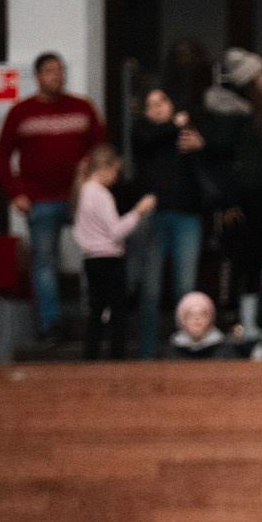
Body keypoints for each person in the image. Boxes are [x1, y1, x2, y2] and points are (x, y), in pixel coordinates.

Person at [0, 51, 104, 344]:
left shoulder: (83, 108)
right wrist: (15, 192)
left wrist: (94, 180)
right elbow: (2, 156)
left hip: (80, 197)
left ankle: (94, 316)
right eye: (51, 71)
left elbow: (101, 150)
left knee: (96, 253)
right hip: (39, 199)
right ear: (38, 76)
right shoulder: (21, 112)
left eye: (61, 70)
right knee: (44, 262)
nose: (57, 76)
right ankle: (51, 324)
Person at [200, 47, 262, 331]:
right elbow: (223, 160)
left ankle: (254, 321)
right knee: (241, 261)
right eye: (261, 75)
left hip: (261, 196)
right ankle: (240, 322)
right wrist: (229, 202)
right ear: (249, 79)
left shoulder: (257, 111)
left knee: (257, 260)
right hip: (242, 198)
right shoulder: (229, 112)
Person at [130, 88, 207, 359]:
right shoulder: (141, 131)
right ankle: (147, 354)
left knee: (185, 289)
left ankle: (185, 348)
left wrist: (199, 147)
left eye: (162, 100)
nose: (157, 107)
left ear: (172, 103)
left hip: (187, 215)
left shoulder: (188, 133)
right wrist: (175, 125)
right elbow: (150, 139)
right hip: (154, 218)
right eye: (150, 104)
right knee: (150, 291)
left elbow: (205, 171)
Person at [72, 144, 156, 361]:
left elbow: (78, 231)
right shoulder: (101, 195)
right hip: (109, 259)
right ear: (105, 168)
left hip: (91, 258)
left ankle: (91, 356)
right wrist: (138, 211)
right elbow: (117, 231)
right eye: (115, 171)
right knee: (117, 311)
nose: (116, 178)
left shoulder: (82, 192)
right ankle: (117, 357)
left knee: (96, 309)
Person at [166, 291, 231, 360]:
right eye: (191, 315)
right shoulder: (171, 352)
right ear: (182, 320)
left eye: (202, 314)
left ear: (210, 319)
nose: (197, 319)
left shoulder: (224, 350)